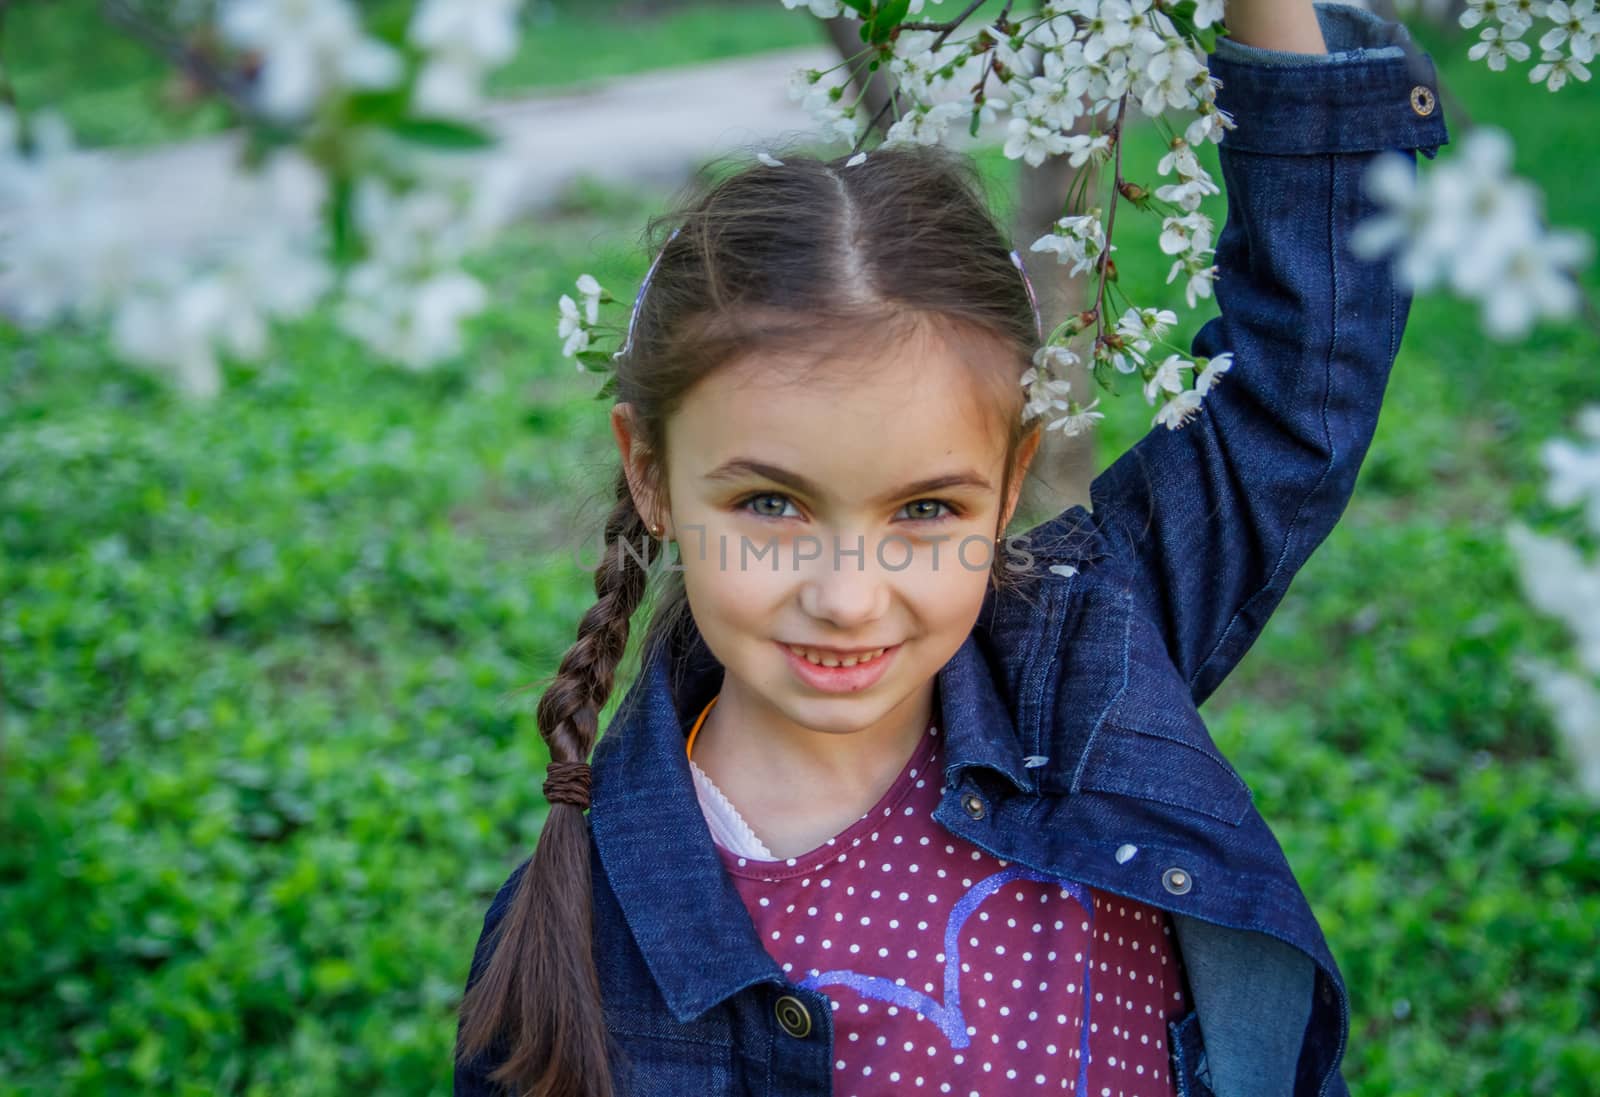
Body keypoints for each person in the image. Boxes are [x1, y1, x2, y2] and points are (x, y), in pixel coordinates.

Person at [453, 2, 1449, 1094]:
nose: (846, 598)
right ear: (648, 472)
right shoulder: (573, 941)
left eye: (924, 509)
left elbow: (1299, 379)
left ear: (1011, 480)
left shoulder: (1090, 650)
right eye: (771, 505)